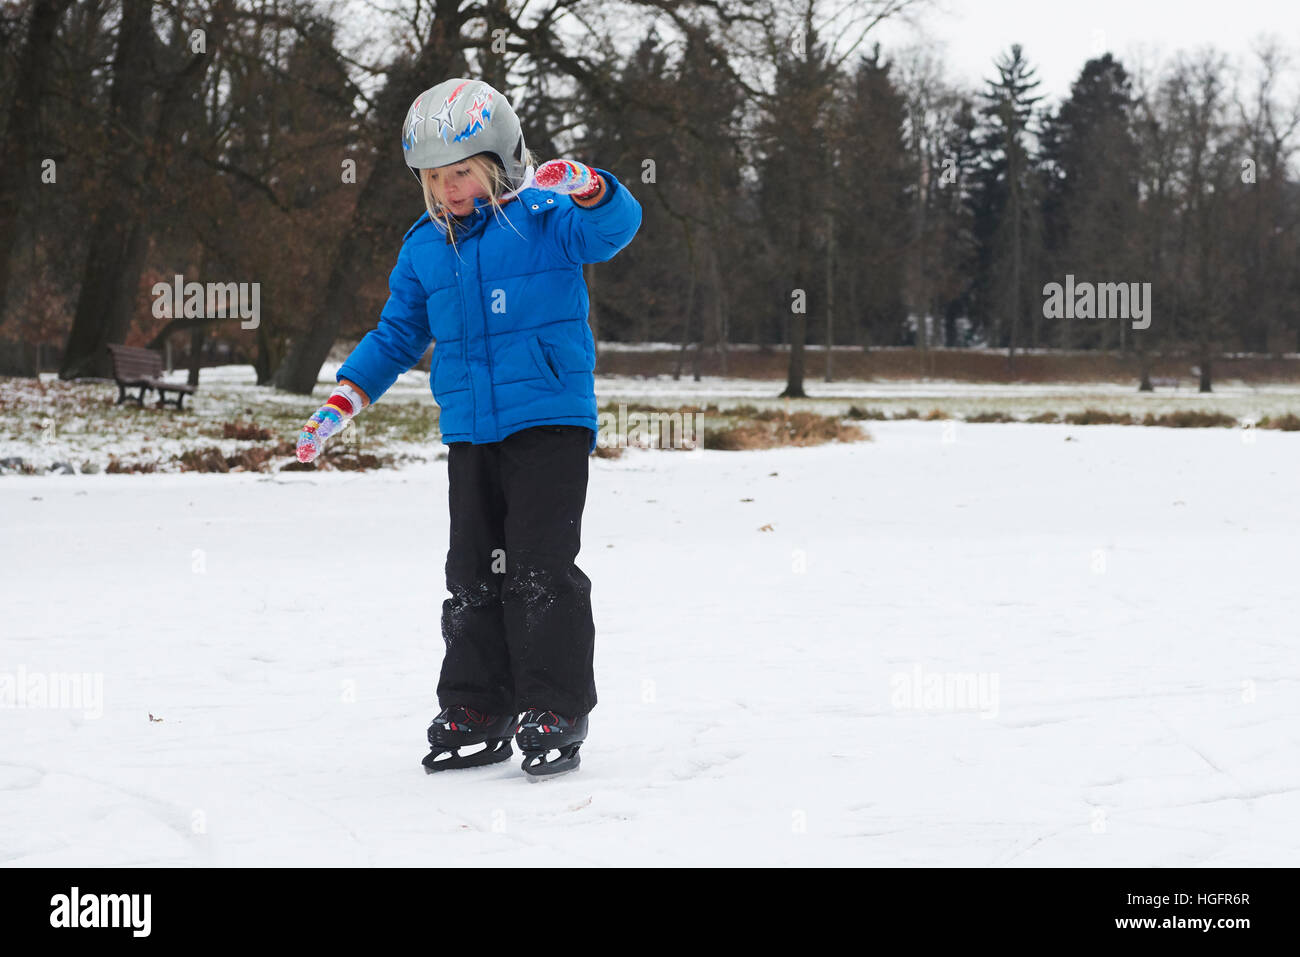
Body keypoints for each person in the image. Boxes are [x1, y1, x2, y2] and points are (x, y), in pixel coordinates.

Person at [295, 77, 642, 778]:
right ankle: (478, 704)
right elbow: (397, 333)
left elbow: (614, 228)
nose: (448, 191)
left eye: (461, 174)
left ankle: (555, 705)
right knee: (473, 574)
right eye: (433, 179)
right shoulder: (426, 246)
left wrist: (591, 186)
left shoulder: (547, 215)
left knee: (539, 569)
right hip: (472, 431)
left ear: (499, 159)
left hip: (549, 423)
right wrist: (348, 394)